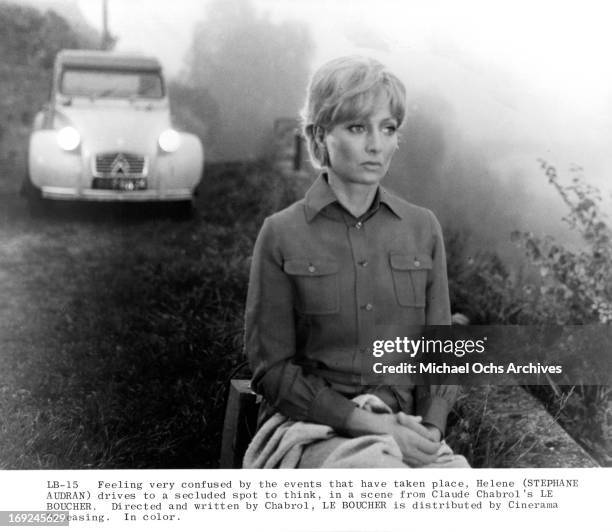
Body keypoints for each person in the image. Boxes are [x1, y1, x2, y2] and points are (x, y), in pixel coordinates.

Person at [243, 56, 468, 468]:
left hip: (407, 427)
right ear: (319, 135)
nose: (376, 145)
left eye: (388, 128)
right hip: (313, 428)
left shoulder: (423, 227)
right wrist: (373, 426)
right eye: (357, 127)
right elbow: (272, 371)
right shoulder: (280, 233)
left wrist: (431, 430)